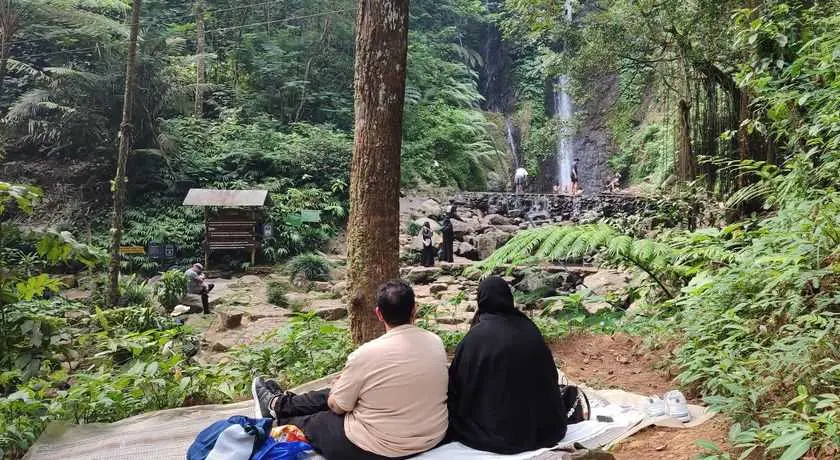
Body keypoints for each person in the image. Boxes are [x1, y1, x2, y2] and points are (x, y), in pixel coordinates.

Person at [252, 280, 449, 460]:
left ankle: (277, 412)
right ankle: (279, 403)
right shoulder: (435, 342)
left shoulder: (366, 354)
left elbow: (338, 407)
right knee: (341, 391)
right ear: (415, 309)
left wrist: (339, 390)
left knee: (317, 419)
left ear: (379, 314)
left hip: (378, 447)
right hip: (431, 436)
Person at [446, 276, 568, 454]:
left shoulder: (475, 338)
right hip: (543, 429)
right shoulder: (529, 329)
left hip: (493, 434)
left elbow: (457, 386)